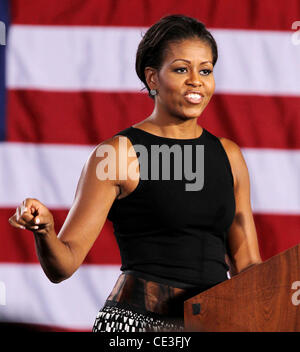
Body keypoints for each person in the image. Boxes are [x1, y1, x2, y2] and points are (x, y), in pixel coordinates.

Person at [8, 14, 262, 332]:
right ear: (152, 78)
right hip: (138, 323)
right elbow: (64, 264)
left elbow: (248, 266)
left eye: (206, 70)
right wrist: (44, 230)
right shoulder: (117, 153)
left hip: (213, 323)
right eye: (182, 69)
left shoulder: (229, 155)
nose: (196, 80)